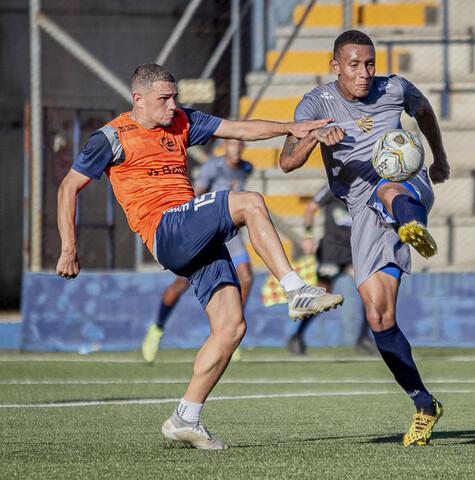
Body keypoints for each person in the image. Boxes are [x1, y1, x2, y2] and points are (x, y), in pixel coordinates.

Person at [56, 63, 343, 450]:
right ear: (138, 100)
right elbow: (68, 187)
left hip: (192, 232)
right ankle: (295, 290)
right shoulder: (111, 137)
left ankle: (185, 417)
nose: (173, 105)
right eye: (164, 99)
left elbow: (240, 128)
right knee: (250, 202)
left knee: (231, 327)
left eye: (174, 97)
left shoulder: (182, 121)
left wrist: (289, 128)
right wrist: (69, 248)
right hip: (165, 229)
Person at [279, 30, 451, 446]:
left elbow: (424, 111)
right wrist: (313, 137)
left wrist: (440, 159)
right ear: (335, 64)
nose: (364, 73)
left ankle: (413, 226)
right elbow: (286, 161)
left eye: (369, 63)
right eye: (354, 65)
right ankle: (424, 403)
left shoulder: (394, 88)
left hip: (406, 184)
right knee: (379, 318)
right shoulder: (316, 104)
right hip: (361, 212)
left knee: (387, 187)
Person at [142, 138, 254, 363]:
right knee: (181, 284)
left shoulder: (246, 168)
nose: (236, 149)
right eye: (232, 144)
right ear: (225, 147)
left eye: (240, 145)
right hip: (206, 230)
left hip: (229, 234)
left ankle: (230, 332)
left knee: (246, 276)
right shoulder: (213, 166)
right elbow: (196, 195)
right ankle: (157, 328)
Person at [287, 184, 375, 355]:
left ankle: (364, 338)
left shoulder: (366, 186)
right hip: (331, 252)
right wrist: (308, 236)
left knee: (370, 292)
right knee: (322, 295)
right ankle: (297, 336)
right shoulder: (334, 185)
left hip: (354, 251)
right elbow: (310, 209)